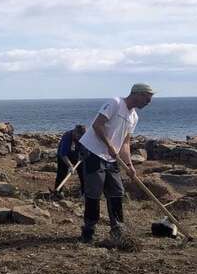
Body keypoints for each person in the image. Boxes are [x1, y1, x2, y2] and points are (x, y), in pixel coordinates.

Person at [76, 84, 154, 243]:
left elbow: (125, 143)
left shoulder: (134, 117)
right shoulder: (115, 103)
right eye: (147, 98)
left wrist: (130, 165)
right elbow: (97, 125)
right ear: (137, 94)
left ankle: (118, 229)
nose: (148, 102)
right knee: (94, 191)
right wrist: (109, 145)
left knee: (117, 191)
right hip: (93, 152)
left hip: (111, 157)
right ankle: (89, 230)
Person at [55, 125, 86, 193]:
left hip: (75, 153)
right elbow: (63, 154)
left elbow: (84, 149)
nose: (80, 139)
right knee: (61, 173)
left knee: (83, 173)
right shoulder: (67, 136)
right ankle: (57, 192)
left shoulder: (84, 137)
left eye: (81, 137)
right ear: (75, 132)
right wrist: (70, 166)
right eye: (79, 137)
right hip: (63, 155)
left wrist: (82, 155)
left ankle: (84, 192)